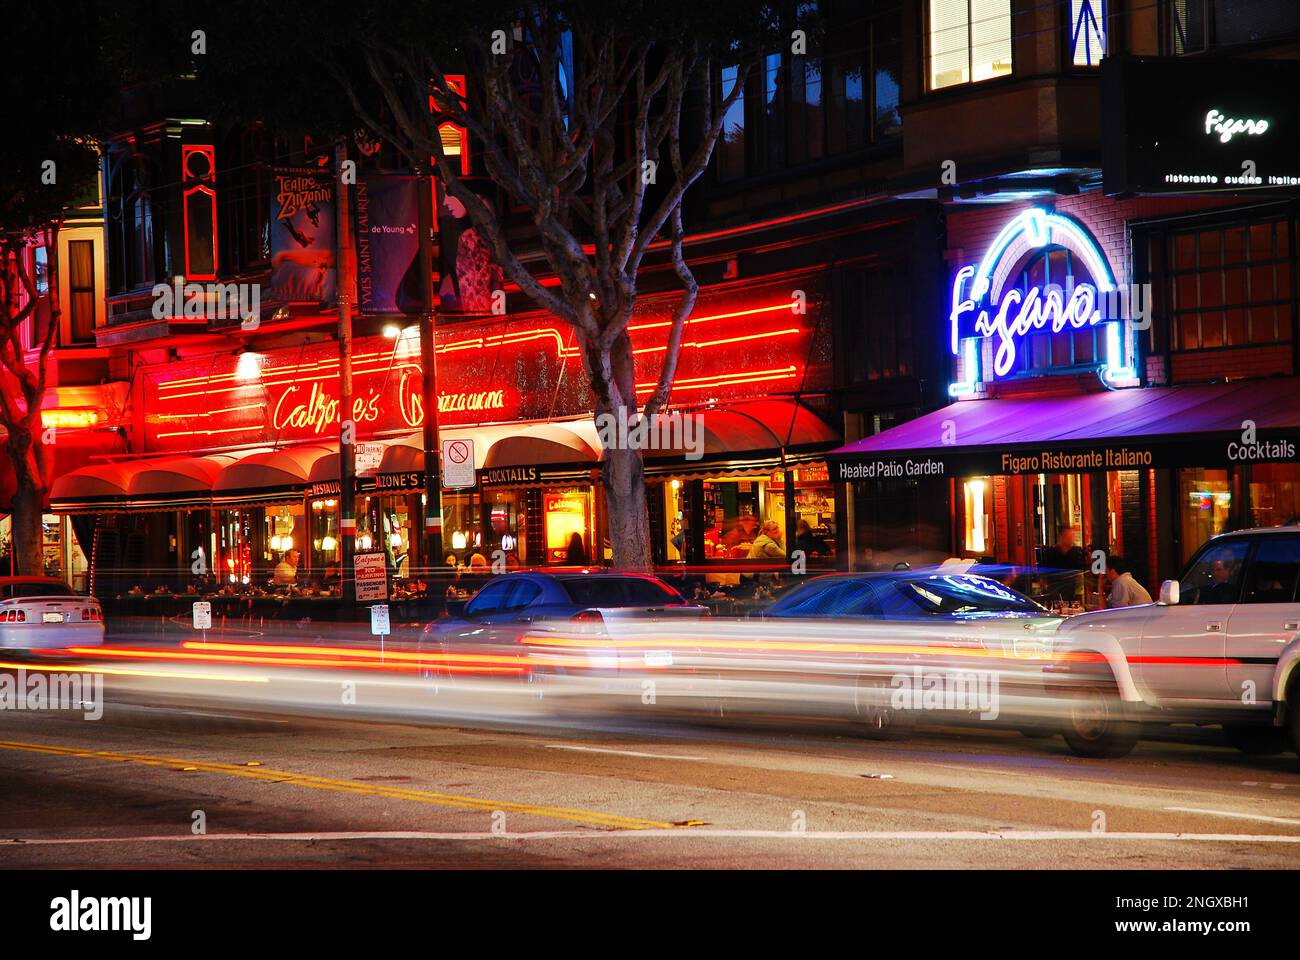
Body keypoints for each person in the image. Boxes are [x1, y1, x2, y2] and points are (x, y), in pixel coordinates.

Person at [1039, 527, 1086, 604]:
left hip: (1071, 595)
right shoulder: (1050, 553)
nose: (1070, 539)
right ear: (1060, 536)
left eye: (1072, 537)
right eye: (1068, 536)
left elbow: (1079, 574)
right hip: (1054, 594)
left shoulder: (1075, 553)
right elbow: (1042, 576)